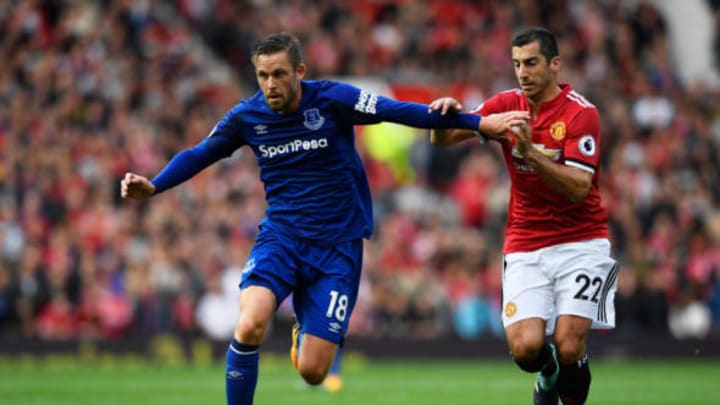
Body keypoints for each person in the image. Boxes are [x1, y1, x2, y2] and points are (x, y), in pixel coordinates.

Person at [120, 32, 528, 405]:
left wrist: (474, 122)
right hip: (281, 239)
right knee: (249, 324)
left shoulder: (332, 99)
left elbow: (394, 111)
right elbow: (199, 153)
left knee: (314, 372)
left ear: (299, 71)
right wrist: (155, 186)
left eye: (279, 74)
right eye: (262, 75)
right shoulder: (248, 117)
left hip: (337, 249)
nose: (270, 84)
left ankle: (305, 331)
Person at [429, 27, 618, 405]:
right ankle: (546, 375)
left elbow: (580, 186)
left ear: (554, 64)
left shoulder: (581, 114)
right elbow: (446, 139)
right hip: (526, 244)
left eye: (531, 63)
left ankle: (568, 379)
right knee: (525, 349)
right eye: (516, 64)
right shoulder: (505, 106)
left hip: (582, 242)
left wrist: (529, 152)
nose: (523, 72)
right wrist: (444, 117)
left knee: (567, 344)